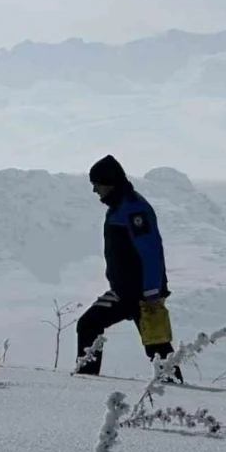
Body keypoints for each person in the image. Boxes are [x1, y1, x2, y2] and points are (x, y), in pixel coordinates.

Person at [74, 154, 183, 383]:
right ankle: (174, 388)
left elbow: (151, 251)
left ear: (109, 181)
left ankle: (86, 383)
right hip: (130, 291)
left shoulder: (133, 209)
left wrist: (152, 292)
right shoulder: (120, 206)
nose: (94, 190)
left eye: (96, 184)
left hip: (139, 294)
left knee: (89, 325)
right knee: (157, 346)